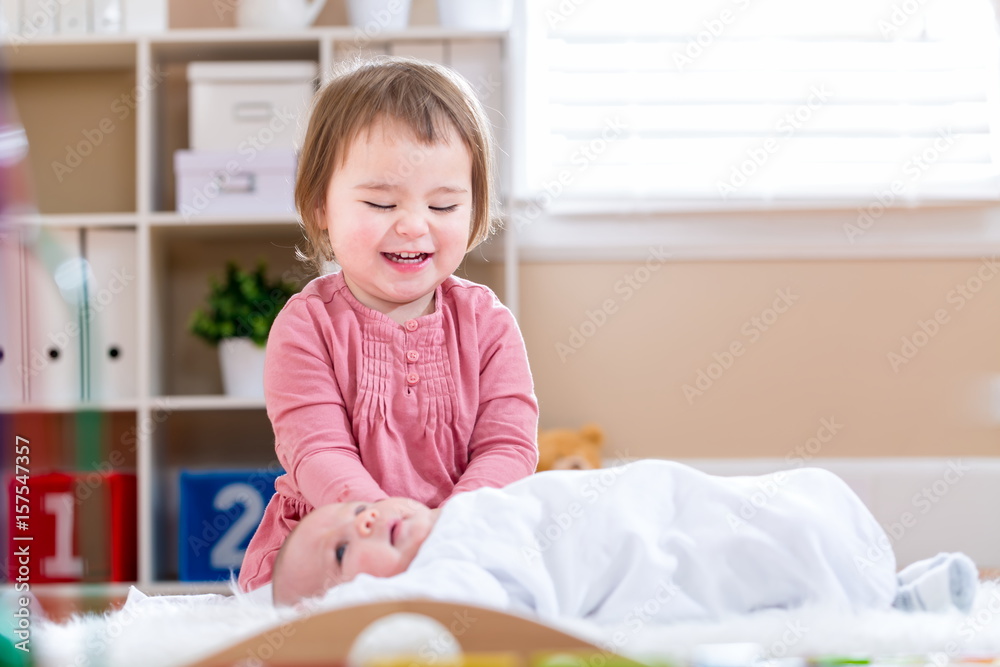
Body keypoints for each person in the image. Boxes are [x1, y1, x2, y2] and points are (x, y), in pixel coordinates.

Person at [238, 57, 539, 592]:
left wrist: (448, 531)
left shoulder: (488, 323)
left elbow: (508, 449)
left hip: (463, 540)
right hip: (341, 549)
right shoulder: (306, 326)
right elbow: (319, 451)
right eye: (381, 201)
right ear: (320, 206)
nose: (413, 224)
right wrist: (386, 526)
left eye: (444, 205)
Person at [270, 460, 980, 627]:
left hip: (671, 508)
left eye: (360, 507)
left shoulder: (467, 517)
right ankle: (892, 604)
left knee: (717, 517)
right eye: (339, 551)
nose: (361, 520)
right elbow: (442, 613)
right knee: (731, 575)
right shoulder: (453, 571)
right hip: (666, 554)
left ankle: (883, 595)